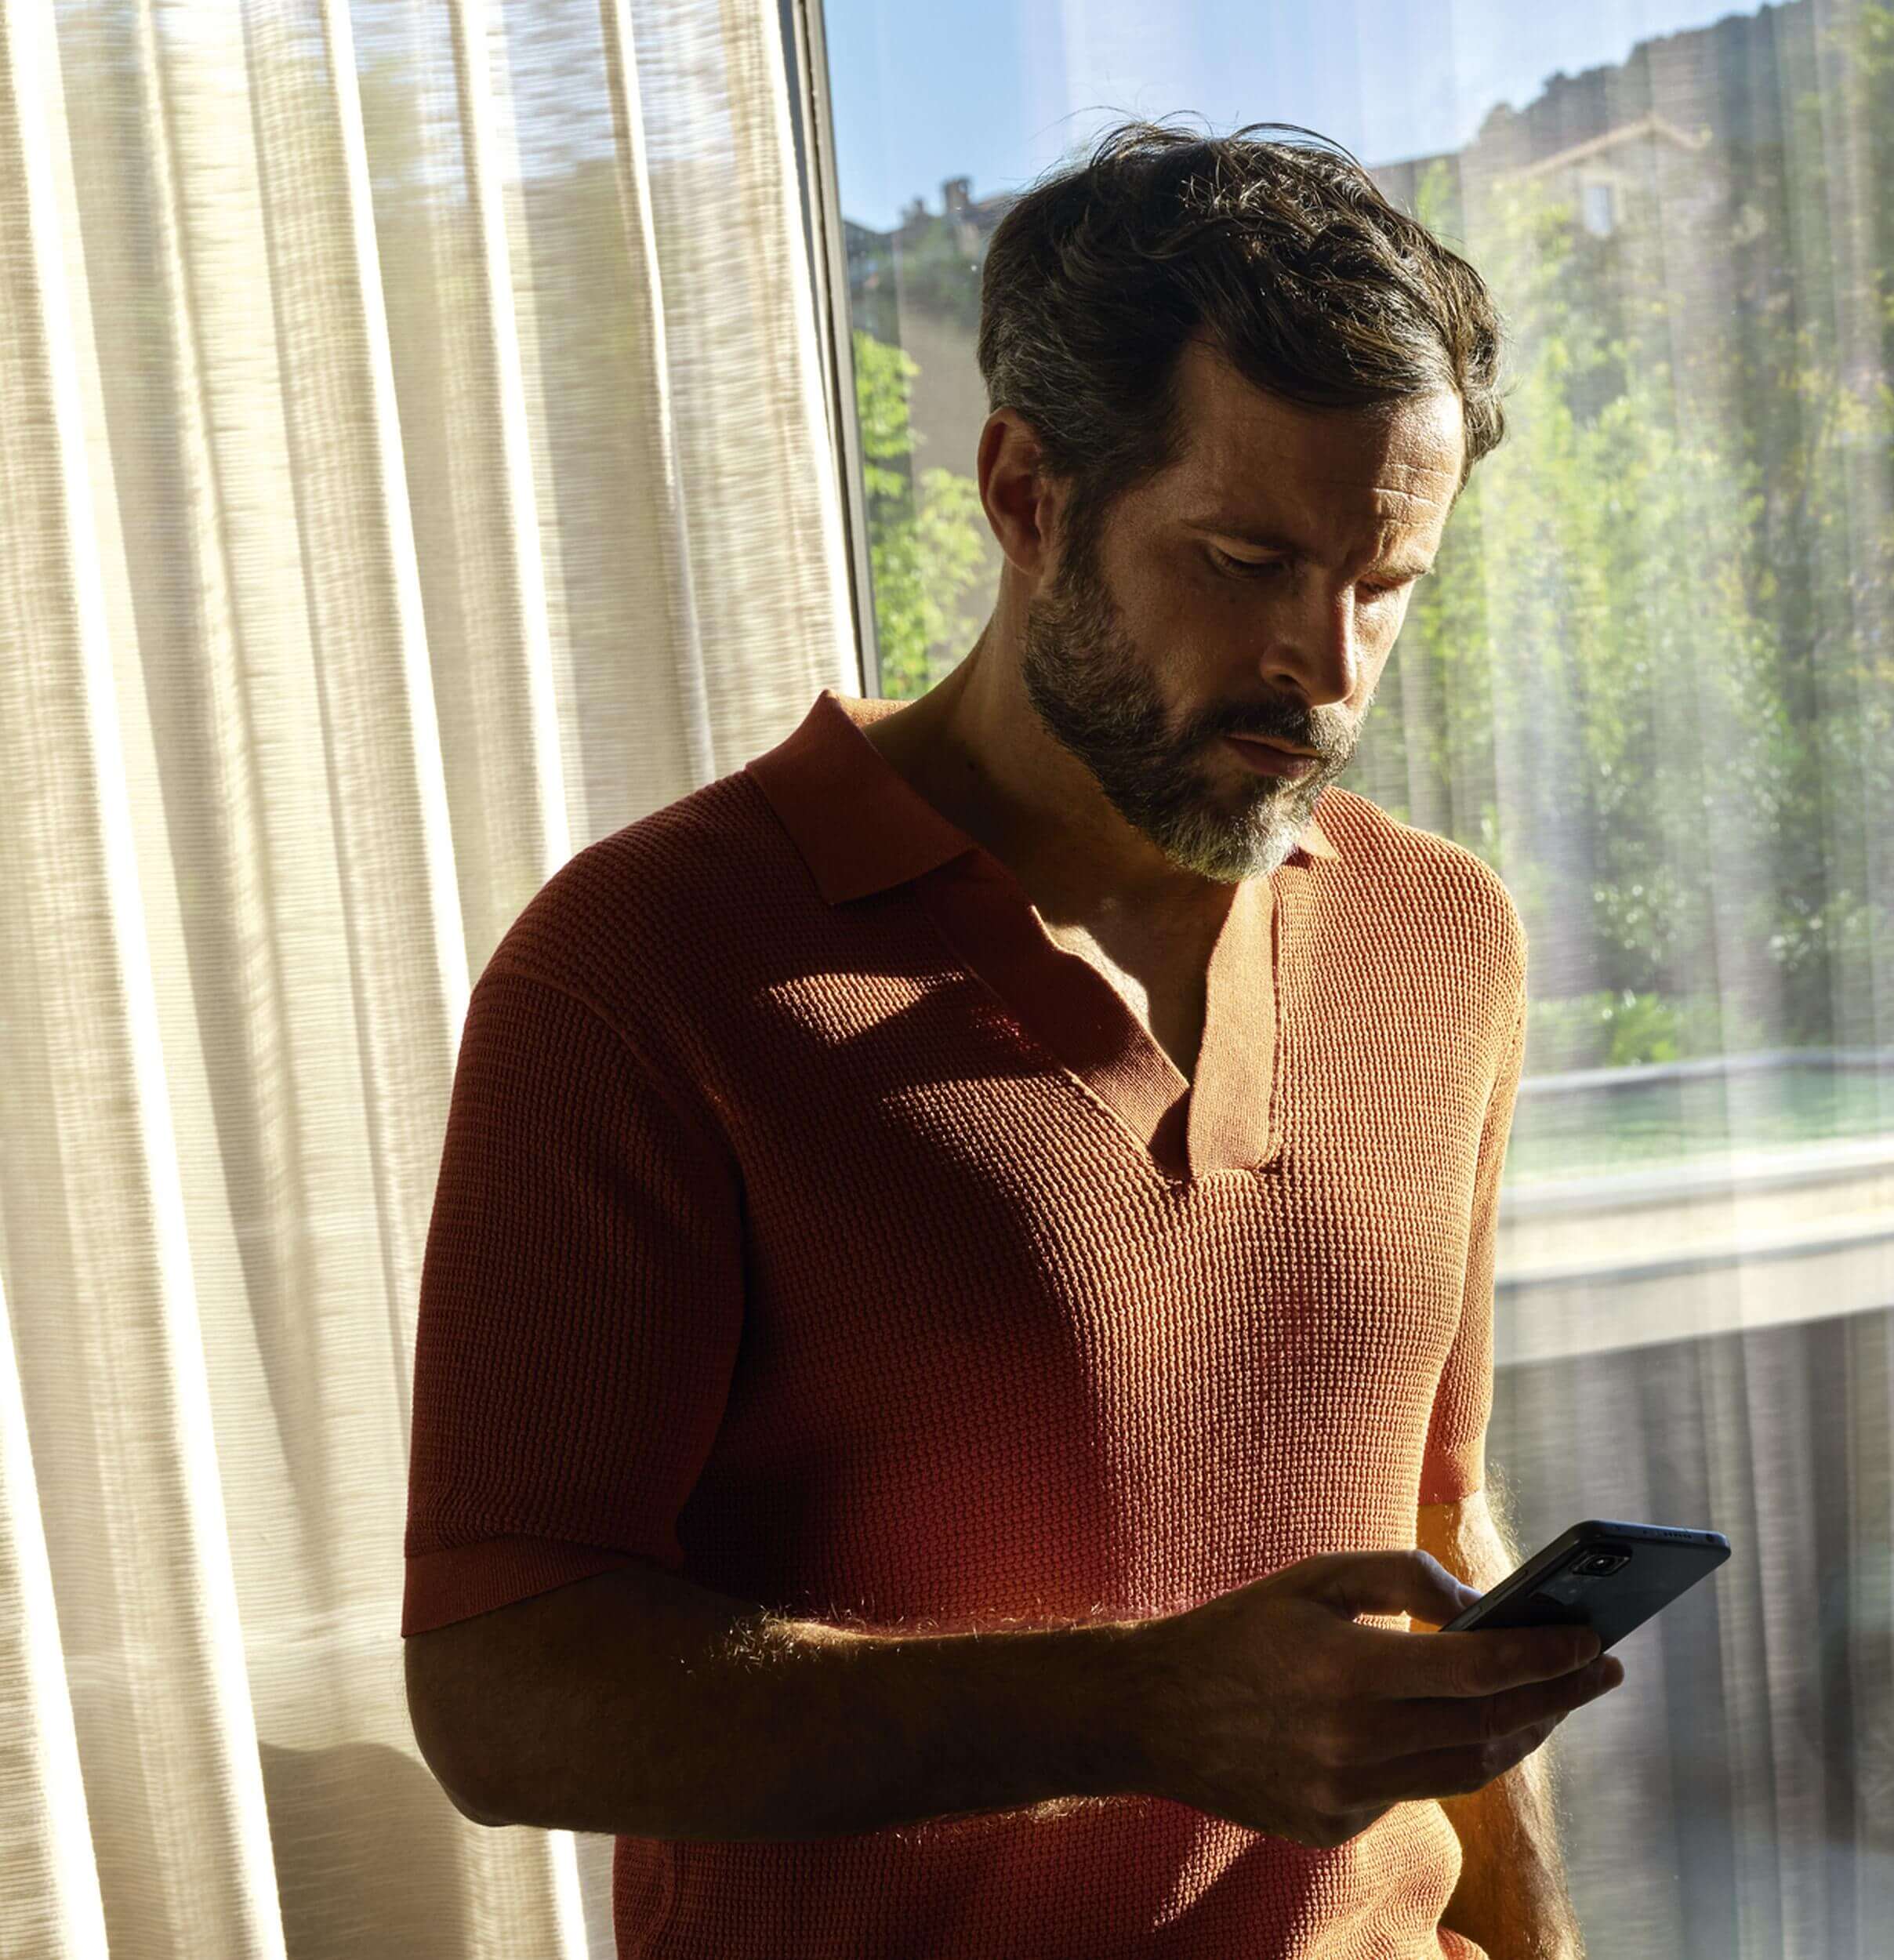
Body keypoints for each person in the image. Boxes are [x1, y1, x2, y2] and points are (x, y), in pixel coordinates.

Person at [397, 124, 1616, 1958]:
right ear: (1028, 489)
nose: (1329, 668)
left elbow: (1435, 1515)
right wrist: (1133, 1707)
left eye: (1386, 585)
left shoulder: (1445, 935)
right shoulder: (646, 965)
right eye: (1244, 558)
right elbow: (497, 1693)